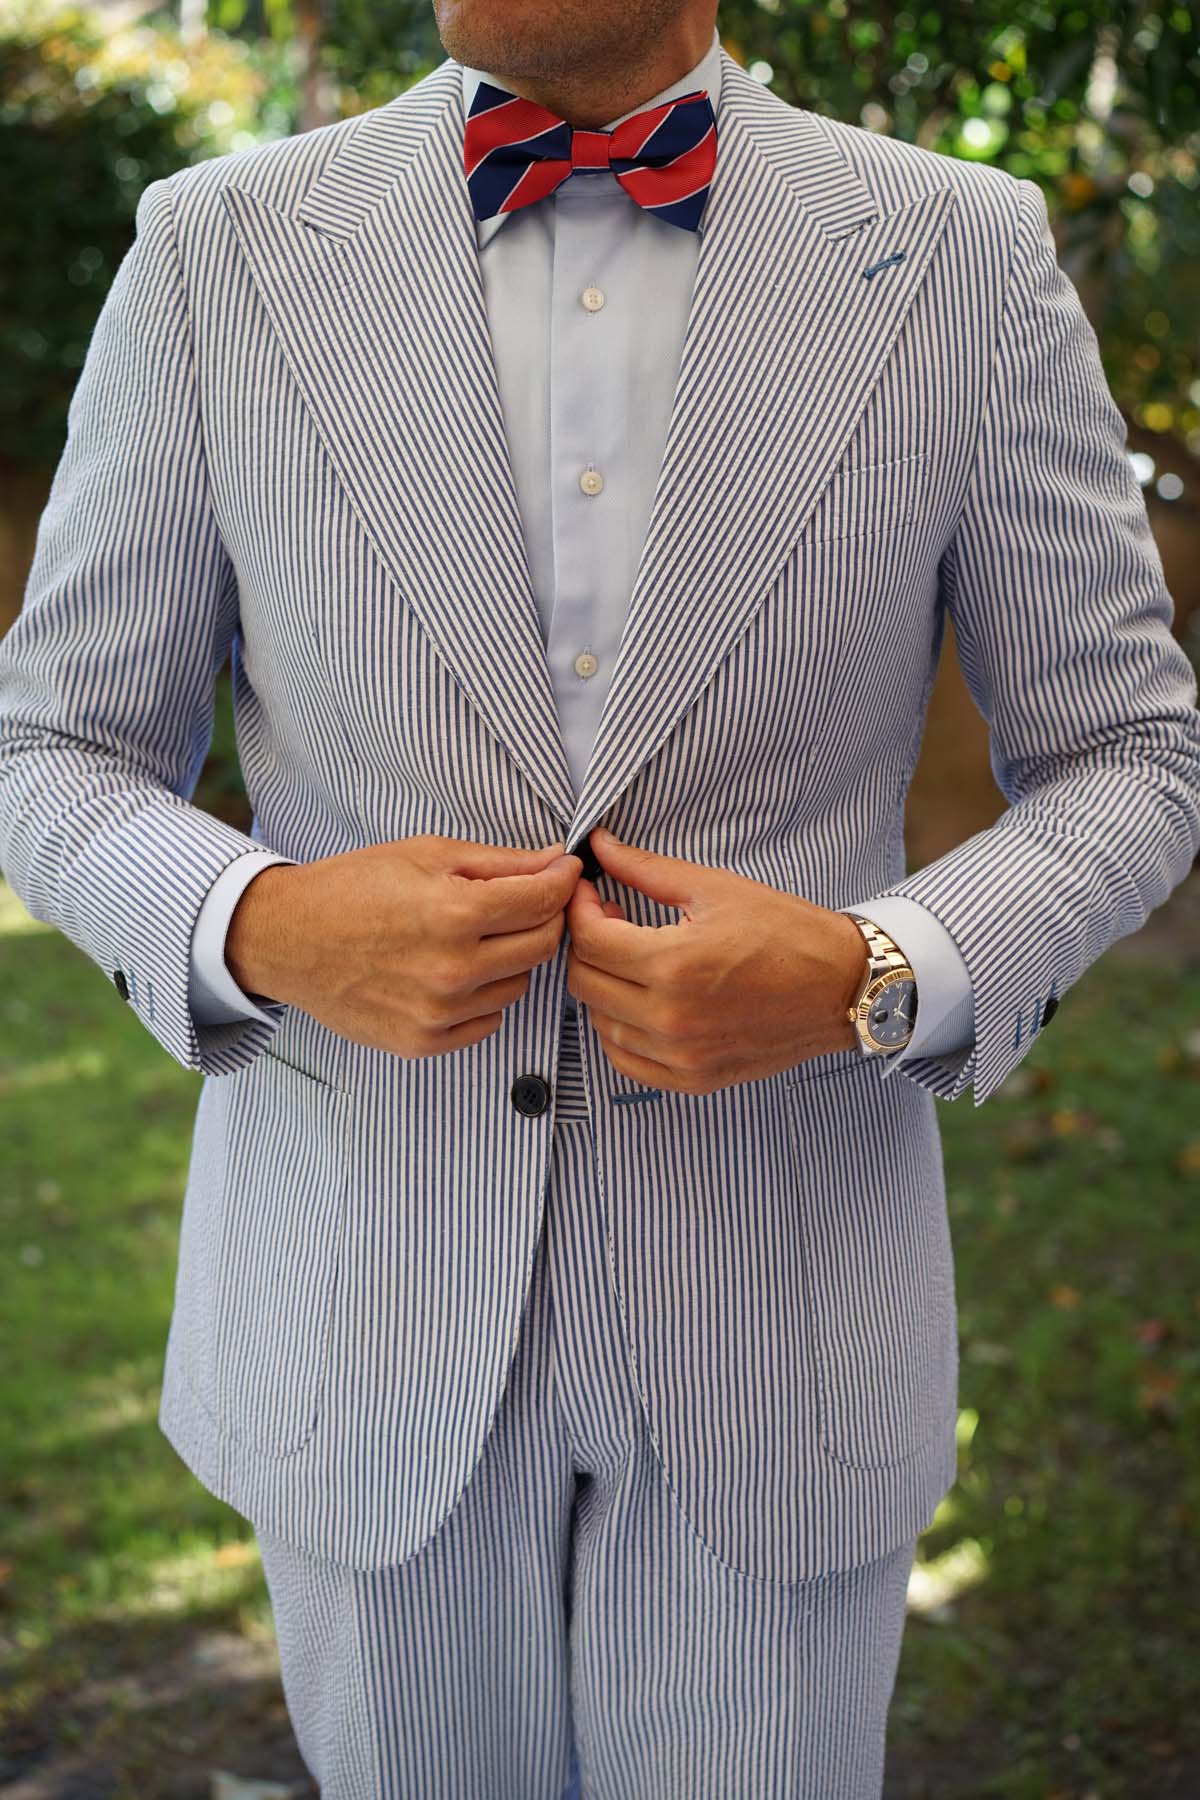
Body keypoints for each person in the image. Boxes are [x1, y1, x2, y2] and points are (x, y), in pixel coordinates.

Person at [2, 0, 1198, 1793]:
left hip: (782, 1320)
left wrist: (884, 965)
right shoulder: (217, 254)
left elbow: (1131, 752)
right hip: (364, 1320)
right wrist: (261, 924)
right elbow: (50, 747)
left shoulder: (956, 252)